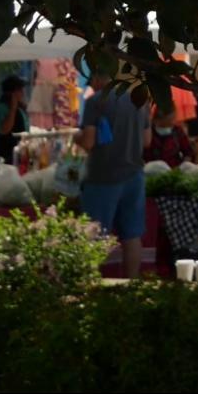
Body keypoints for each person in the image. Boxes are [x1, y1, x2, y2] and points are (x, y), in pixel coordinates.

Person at [77, 83, 153, 276]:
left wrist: (77, 137)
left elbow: (88, 141)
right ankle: (131, 284)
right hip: (134, 176)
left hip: (102, 177)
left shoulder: (95, 101)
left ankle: (91, 283)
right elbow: (147, 141)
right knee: (132, 236)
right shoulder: (138, 100)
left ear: (95, 75)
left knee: (93, 235)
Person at [0, 75, 29, 166]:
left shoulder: (20, 108)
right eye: (19, 90)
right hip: (6, 155)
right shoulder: (0, 108)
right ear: (11, 93)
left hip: (20, 152)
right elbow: (4, 130)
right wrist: (12, 109)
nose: (22, 94)